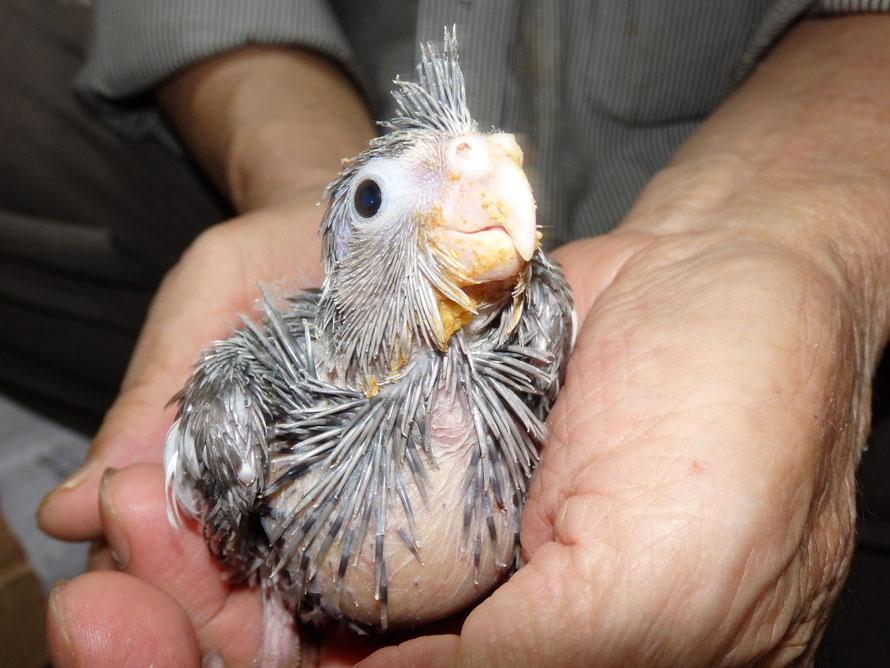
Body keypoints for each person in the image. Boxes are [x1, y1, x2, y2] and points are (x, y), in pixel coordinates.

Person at [0, 0, 886, 664]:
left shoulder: (535, 325)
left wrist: (801, 234)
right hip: (321, 90)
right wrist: (290, 170)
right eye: (379, 201)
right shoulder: (254, 415)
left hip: (713, 186)